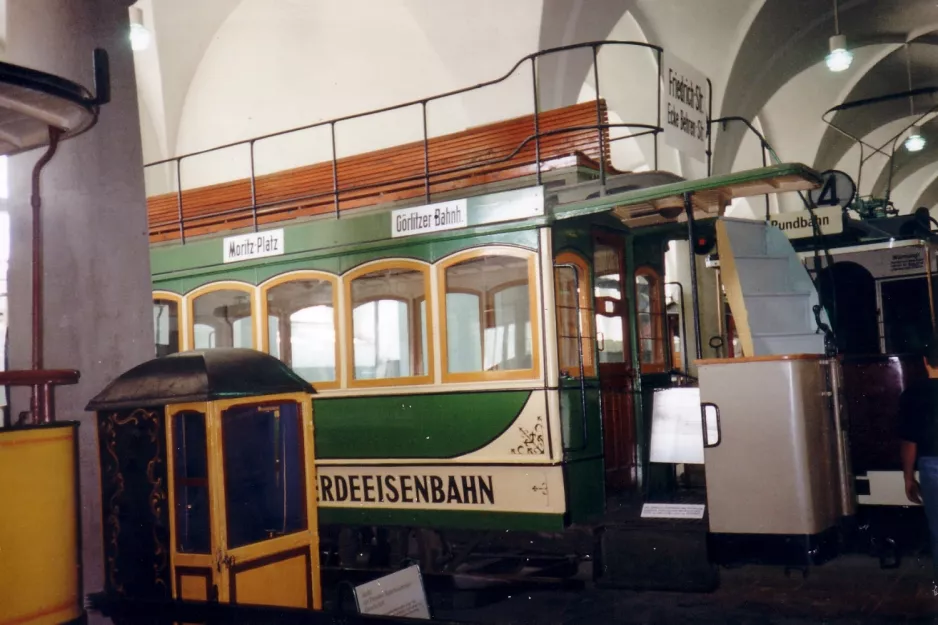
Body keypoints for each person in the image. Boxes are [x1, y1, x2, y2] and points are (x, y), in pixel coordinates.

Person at [899, 341, 938, 595]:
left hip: (932, 467)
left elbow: (909, 441)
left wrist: (908, 478)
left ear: (925, 362)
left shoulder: (912, 393)